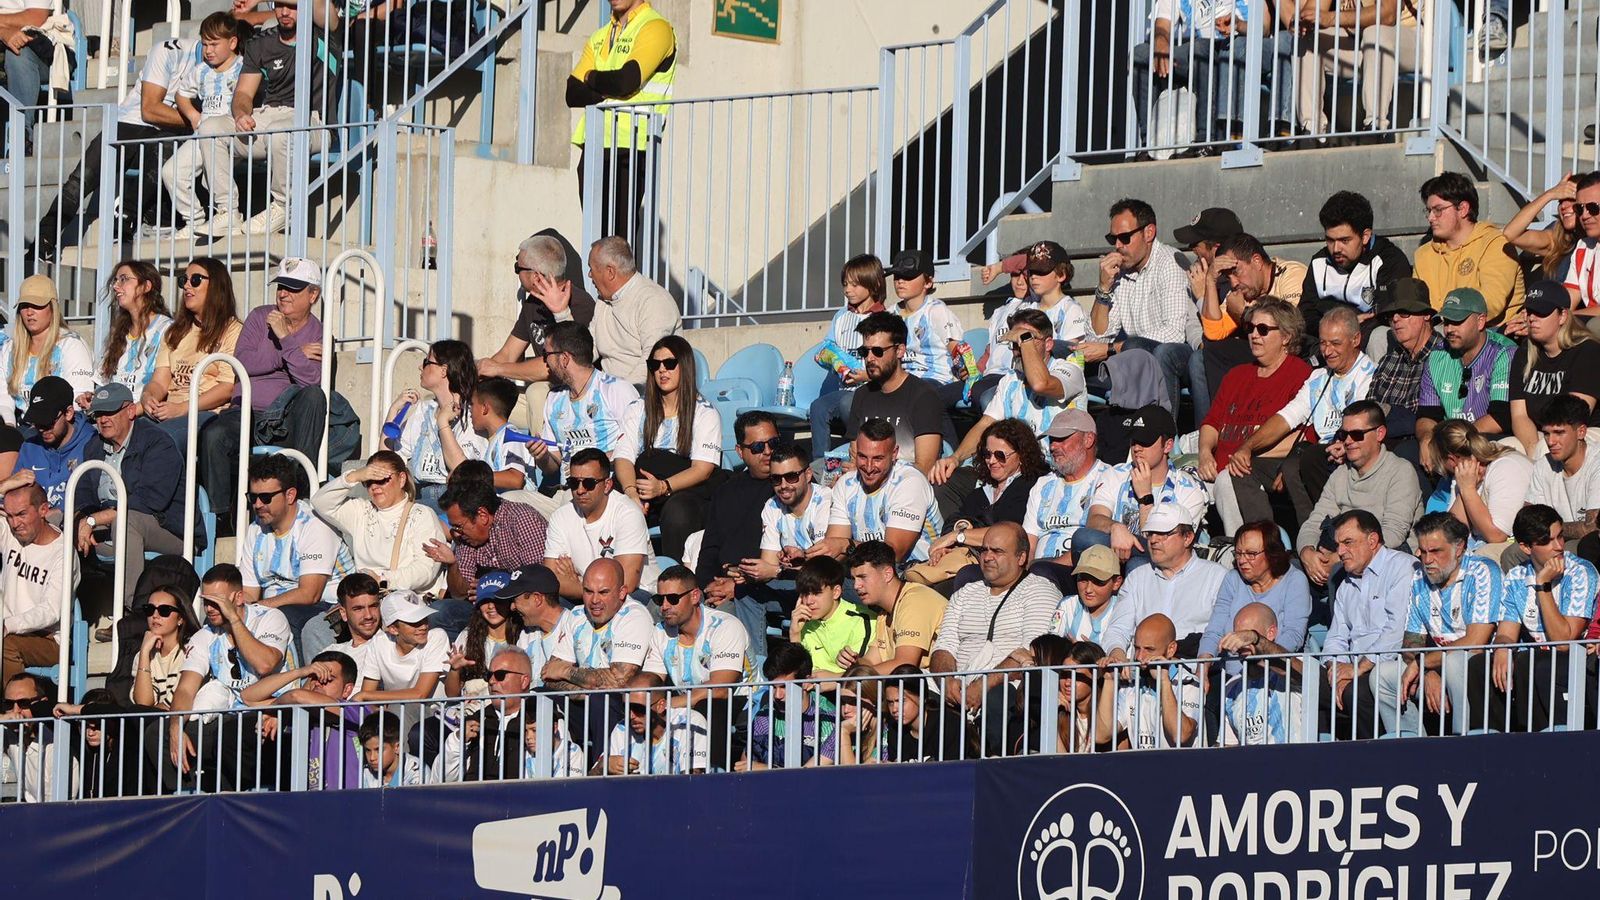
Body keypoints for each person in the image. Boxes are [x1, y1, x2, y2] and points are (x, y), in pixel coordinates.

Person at [202, 257, 352, 524]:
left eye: (293, 288)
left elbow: (311, 382)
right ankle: (223, 518)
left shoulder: (319, 333)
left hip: (284, 419)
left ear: (313, 295)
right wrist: (289, 355)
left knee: (315, 398)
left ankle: (302, 494)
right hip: (246, 411)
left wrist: (286, 339)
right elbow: (242, 363)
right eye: (281, 285)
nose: (283, 293)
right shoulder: (260, 316)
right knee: (214, 434)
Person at [31, 36, 201, 261]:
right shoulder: (171, 49)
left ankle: (124, 225)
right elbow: (149, 110)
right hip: (128, 123)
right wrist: (197, 119)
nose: (210, 51)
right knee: (80, 181)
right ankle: (42, 242)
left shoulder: (231, 67)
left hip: (169, 136)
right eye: (208, 43)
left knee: (166, 149)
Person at [1223, 306, 1377, 528]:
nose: (1328, 351)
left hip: (1345, 457)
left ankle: (1311, 538)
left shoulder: (1369, 375)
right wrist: (1248, 446)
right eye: (1323, 343)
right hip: (1315, 455)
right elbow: (1287, 417)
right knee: (1242, 470)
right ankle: (1265, 541)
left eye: (1335, 343)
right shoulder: (1318, 376)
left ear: (1355, 339)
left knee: (1296, 464)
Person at [200, 0, 342, 236]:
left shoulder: (325, 37)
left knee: (280, 131)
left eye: (293, 5)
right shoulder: (261, 43)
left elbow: (325, 13)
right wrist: (241, 113)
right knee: (210, 129)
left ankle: (283, 207)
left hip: (315, 121)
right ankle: (227, 212)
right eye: (279, 5)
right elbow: (244, 92)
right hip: (270, 115)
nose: (284, 12)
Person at [157, 563, 291, 793]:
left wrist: (234, 621)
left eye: (216, 601)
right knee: (157, 732)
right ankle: (187, 801)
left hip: (273, 709)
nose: (209, 609)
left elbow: (265, 664)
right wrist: (176, 726)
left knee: (230, 734)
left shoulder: (270, 618)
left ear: (238, 597)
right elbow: (186, 689)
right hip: (231, 713)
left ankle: (240, 803)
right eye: (205, 602)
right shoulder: (204, 636)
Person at [1469, 505, 1597, 732]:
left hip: (1576, 660)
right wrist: (1501, 649)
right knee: (1481, 664)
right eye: (1547, 541)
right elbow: (1507, 633)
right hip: (1537, 660)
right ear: (1526, 547)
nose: (1558, 546)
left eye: (1560, 537)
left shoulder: (1581, 572)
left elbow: (1564, 640)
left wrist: (1543, 586)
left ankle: (1539, 738)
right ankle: (1489, 740)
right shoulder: (1517, 576)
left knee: (1529, 661)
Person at [1373, 513, 1500, 738]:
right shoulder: (1419, 578)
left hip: (1481, 665)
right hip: (1436, 664)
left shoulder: (1483, 571)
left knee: (1454, 661)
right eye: (1423, 551)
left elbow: (1476, 641)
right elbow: (1411, 644)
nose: (1427, 559)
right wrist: (1428, 671)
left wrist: (1424, 663)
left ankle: (1465, 742)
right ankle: (1409, 744)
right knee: (1381, 674)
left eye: (1436, 551)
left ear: (1459, 548)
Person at [929, 522, 1059, 737]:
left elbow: (1032, 652)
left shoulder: (1040, 590)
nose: (987, 557)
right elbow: (944, 646)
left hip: (1006, 689)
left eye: (997, 551)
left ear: (1021, 558)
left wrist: (982, 686)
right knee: (908, 684)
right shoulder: (965, 592)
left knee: (999, 696)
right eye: (984, 550)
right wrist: (948, 681)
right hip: (957, 685)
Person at [931, 309, 1085, 490]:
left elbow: (1040, 384)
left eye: (1026, 339)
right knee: (945, 483)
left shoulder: (1069, 371)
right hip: (1010, 470)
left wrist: (1024, 339)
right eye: (1015, 343)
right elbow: (985, 424)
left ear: (1048, 344)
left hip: (1052, 471)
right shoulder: (1010, 380)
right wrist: (956, 458)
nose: (1019, 349)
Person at [567, 0, 678, 244]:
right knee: (596, 240)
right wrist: (606, 86)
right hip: (595, 144)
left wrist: (590, 77)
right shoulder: (600, 35)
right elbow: (572, 93)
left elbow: (626, 81)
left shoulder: (656, 27)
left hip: (631, 146)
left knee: (618, 242)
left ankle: (623, 284)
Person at [74, 383, 190, 614]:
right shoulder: (94, 446)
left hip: (167, 527)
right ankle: (62, 616)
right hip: (109, 528)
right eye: (98, 414)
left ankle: (133, 611)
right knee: (59, 526)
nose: (103, 420)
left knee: (126, 523)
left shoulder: (158, 442)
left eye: (110, 412)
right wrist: (80, 521)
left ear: (130, 411)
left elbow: (149, 501)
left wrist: (93, 521)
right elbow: (82, 493)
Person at [1200, 299, 1313, 533]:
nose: (1254, 335)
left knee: (1228, 480)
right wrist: (1204, 454)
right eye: (1250, 328)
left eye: (1263, 329)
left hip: (1252, 471)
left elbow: (1306, 434)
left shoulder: (1299, 373)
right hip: (1217, 468)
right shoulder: (1237, 374)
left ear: (1286, 337)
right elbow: (1212, 422)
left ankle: (1241, 548)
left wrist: (1252, 453)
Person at [614, 335, 723, 560]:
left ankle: (676, 582)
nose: (662, 370)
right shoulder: (637, 409)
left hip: (685, 490)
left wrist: (662, 487)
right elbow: (623, 458)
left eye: (670, 364)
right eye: (656, 365)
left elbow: (702, 470)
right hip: (642, 489)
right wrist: (631, 493)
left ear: (685, 366)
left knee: (677, 510)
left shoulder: (704, 412)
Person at [239, 451, 354, 664]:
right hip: (277, 605)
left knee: (283, 618)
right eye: (252, 497)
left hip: (329, 606)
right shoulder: (256, 529)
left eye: (265, 497)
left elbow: (310, 593)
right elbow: (249, 591)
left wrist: (261, 608)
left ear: (290, 495)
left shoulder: (315, 525)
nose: (257, 504)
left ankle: (299, 684)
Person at [1084, 198, 1195, 414]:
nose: (1117, 246)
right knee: (1065, 355)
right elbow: (1097, 338)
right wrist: (1103, 288)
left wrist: (1113, 349)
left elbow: (1174, 333)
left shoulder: (1170, 263)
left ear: (1149, 232)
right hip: (1129, 355)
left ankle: (1161, 435)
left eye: (1125, 238)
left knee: (1135, 347)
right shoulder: (1120, 271)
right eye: (1113, 238)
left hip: (1173, 356)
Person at [1297, 401, 1425, 585]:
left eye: (1357, 434)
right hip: (1344, 552)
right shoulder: (1340, 474)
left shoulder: (1401, 471)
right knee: (1294, 571)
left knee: (1342, 575)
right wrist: (1307, 553)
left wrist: (1341, 557)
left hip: (1390, 558)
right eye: (1344, 434)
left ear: (1379, 433)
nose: (1348, 441)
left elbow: (1393, 534)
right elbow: (1314, 522)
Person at [1320, 510, 1421, 739]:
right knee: (1307, 684)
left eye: (1348, 543)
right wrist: (1336, 670)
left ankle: (1371, 760)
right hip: (1354, 669)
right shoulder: (1345, 584)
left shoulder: (1402, 568)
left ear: (1372, 540)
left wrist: (1358, 669)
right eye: (1338, 545)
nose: (1341, 552)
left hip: (1389, 666)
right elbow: (1336, 637)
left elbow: (1397, 631)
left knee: (1357, 693)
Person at [696, 412, 785, 656]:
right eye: (757, 446)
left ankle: (751, 688)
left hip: (766, 586)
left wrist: (736, 586)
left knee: (726, 618)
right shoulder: (725, 492)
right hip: (725, 586)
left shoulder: (789, 487)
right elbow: (709, 550)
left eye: (773, 443)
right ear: (740, 451)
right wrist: (709, 586)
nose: (767, 451)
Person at [648, 565, 753, 770]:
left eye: (673, 598)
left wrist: (666, 703)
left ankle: (713, 774)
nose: (665, 606)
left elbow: (720, 689)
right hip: (688, 703)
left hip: (743, 702)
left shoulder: (725, 626)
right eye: (660, 600)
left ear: (695, 596)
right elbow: (651, 680)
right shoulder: (660, 631)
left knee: (709, 704)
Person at [1080, 404, 1208, 567]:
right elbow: (1094, 519)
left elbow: (1167, 549)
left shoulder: (1188, 490)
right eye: (1134, 440)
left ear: (1168, 445)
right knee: (1083, 538)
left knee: (1138, 563)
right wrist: (1116, 528)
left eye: (1145, 441)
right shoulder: (1115, 474)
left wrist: (1145, 499)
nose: (1137, 448)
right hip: (1109, 560)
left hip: (1159, 568)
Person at [140, 257, 244, 451]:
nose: (187, 286)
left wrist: (182, 408)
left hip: (206, 413)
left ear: (216, 286)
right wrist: (148, 396)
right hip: (168, 411)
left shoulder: (232, 330)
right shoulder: (174, 332)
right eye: (183, 280)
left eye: (195, 280)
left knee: (161, 441)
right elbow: (159, 382)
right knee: (127, 435)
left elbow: (226, 388)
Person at [312, 450, 447, 597]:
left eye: (382, 479)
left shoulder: (422, 514)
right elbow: (320, 502)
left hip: (407, 599)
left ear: (401, 479)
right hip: (367, 599)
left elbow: (425, 570)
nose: (374, 486)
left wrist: (382, 580)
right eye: (369, 481)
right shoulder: (361, 510)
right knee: (314, 621)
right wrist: (355, 476)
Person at [926, 418, 1049, 577]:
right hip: (967, 562)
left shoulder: (1029, 487)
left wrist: (958, 536)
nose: (992, 461)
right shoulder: (984, 490)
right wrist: (958, 530)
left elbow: (1007, 533)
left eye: (1000, 455)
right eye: (987, 454)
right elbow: (953, 521)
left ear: (1021, 455)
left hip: (1001, 571)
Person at [1102, 503, 1227, 658]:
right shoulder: (1136, 578)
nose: (1153, 540)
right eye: (1150, 533)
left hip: (1193, 673)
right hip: (1142, 673)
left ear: (1187, 537)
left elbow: (1222, 632)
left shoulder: (1216, 576)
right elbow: (1118, 630)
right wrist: (1117, 655)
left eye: (1163, 533)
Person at [534, 321, 644, 492]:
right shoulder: (554, 399)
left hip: (607, 492)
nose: (544, 361)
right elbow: (552, 466)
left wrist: (590, 465)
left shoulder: (616, 390)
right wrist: (541, 456)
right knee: (512, 499)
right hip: (566, 494)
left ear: (564, 359)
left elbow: (639, 447)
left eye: (546, 354)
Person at [814, 419, 942, 565]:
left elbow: (893, 555)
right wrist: (805, 558)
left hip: (919, 573)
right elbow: (834, 550)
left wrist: (846, 545)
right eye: (862, 457)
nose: (869, 467)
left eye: (877, 458)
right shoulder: (846, 484)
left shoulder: (910, 482)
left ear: (894, 453)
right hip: (868, 576)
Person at [164, 13, 245, 240]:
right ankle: (194, 221)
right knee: (171, 172)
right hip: (202, 134)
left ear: (232, 42)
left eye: (214, 44)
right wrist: (192, 115)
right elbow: (182, 95)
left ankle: (230, 214)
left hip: (230, 134)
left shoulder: (243, 67)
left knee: (212, 177)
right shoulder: (200, 70)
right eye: (205, 44)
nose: (208, 50)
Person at [480, 231, 598, 383]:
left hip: (574, 389)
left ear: (535, 276)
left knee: (535, 392)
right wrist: (476, 379)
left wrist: (498, 369)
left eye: (518, 268)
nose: (517, 273)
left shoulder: (581, 305)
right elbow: (508, 353)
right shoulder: (533, 302)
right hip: (545, 386)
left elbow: (553, 366)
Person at [429, 463, 549, 612]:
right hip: (486, 608)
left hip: (526, 605)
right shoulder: (466, 536)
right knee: (441, 611)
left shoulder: (522, 519)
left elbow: (537, 579)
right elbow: (458, 593)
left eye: (459, 526)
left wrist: (495, 586)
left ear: (483, 516)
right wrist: (453, 564)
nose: (457, 533)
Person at [1415, 287, 1517, 462]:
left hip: (1486, 438)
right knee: (1409, 451)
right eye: (1446, 322)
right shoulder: (1436, 356)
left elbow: (1501, 418)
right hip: (1449, 441)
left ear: (1480, 321)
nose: (1448, 329)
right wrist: (1427, 439)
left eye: (1457, 321)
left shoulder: (1503, 352)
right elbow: (1427, 414)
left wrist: (1457, 441)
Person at [542, 449, 658, 600]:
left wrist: (577, 584)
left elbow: (626, 584)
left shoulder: (628, 513)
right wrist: (589, 592)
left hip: (636, 596)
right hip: (586, 599)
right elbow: (552, 580)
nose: (580, 490)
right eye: (574, 483)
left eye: (589, 483)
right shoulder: (560, 516)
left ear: (608, 484)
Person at [1414, 172, 1526, 329]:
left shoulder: (1495, 244)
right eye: (1429, 211)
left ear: (1463, 209)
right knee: (1381, 336)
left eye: (1438, 210)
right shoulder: (1423, 254)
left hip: (1491, 333)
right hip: (1438, 331)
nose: (1431, 217)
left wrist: (1449, 322)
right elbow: (1416, 304)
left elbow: (1492, 303)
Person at [240, 649, 364, 790]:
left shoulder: (356, 710)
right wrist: (300, 672)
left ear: (347, 690)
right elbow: (248, 697)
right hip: (310, 803)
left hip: (348, 801)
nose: (318, 683)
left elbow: (296, 696)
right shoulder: (301, 710)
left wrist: (275, 709)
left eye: (328, 679)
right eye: (314, 677)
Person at [1296, 1, 1423, 137]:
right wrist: (1303, 21)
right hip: (1363, 42)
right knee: (1307, 39)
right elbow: (1314, 10)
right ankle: (1311, 130)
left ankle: (1375, 127)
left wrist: (1331, 18)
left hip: (1411, 38)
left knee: (1375, 33)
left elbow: (1388, 14)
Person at [843, 311, 947, 474]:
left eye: (877, 351)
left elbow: (924, 468)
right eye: (865, 352)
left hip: (907, 490)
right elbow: (856, 458)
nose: (869, 358)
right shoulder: (862, 395)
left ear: (899, 350)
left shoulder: (923, 396)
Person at [386, 339, 482, 510]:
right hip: (419, 496)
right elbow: (386, 462)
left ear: (444, 370)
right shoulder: (424, 410)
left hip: (454, 498)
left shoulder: (471, 413)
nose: (420, 368)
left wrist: (443, 422)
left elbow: (462, 471)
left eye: (426, 362)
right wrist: (393, 412)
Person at [1199, 520, 1311, 665]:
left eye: (1251, 554)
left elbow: (1293, 635)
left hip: (1281, 672)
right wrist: (1203, 668)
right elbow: (1214, 631)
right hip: (1234, 678)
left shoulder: (1294, 580)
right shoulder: (1232, 579)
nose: (1242, 560)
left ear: (1272, 553)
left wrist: (1264, 666)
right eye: (1238, 553)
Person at [810, 255, 891, 452]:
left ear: (873, 284)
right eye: (845, 284)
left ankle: (858, 452)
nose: (848, 290)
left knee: (849, 404)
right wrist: (832, 360)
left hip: (874, 390)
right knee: (818, 407)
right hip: (844, 389)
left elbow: (891, 364)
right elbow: (827, 349)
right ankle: (820, 465)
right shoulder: (841, 316)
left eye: (855, 285)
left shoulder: (885, 319)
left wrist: (866, 375)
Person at [0, 473, 75, 683]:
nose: (15, 523)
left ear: (43, 510)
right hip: (8, 629)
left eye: (22, 514)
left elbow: (50, 611)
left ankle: (14, 708)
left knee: (5, 646)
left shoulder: (63, 553)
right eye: (10, 516)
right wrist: (4, 486)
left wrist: (6, 625)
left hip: (48, 639)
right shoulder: (9, 532)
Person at [1510, 280, 1600, 453]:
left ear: (1563, 316)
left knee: (1546, 447)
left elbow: (1572, 417)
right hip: (1540, 436)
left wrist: (1539, 451)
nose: (1532, 318)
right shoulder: (1524, 353)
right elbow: (1519, 416)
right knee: (1499, 451)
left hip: (1583, 433)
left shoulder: (1587, 351)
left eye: (1541, 312)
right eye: (1529, 311)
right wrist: (1532, 449)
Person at [1022, 411, 1110, 585]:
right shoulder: (1043, 484)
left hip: (1081, 573)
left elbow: (1098, 543)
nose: (1053, 446)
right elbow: (1029, 543)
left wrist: (1038, 569)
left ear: (1088, 440)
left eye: (1062, 439)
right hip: (1035, 571)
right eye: (1051, 439)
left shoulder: (1109, 479)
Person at [1300, 190, 1414, 325]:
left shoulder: (1389, 262)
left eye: (1344, 240)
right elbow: (1304, 315)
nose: (1336, 249)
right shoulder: (1319, 262)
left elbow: (1386, 317)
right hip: (1324, 338)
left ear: (1365, 236)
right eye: (1330, 240)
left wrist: (1325, 308)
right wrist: (1346, 322)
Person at [584, 237, 682, 386]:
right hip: (607, 392)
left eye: (591, 268)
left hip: (646, 395)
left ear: (610, 272)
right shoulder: (603, 301)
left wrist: (618, 393)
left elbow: (652, 361)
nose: (589, 275)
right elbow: (587, 349)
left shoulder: (653, 301)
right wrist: (562, 313)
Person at [1096, 613, 1202, 749]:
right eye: (1137, 648)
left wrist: (1164, 681)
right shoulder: (1133, 683)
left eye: (1149, 649)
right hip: (1143, 768)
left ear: (1171, 649)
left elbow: (1180, 735)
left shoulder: (1189, 682)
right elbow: (1101, 735)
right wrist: (1109, 681)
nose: (1140, 657)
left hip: (1181, 768)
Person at [1366, 277, 1445, 457]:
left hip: (1419, 446)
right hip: (1379, 444)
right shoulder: (1389, 359)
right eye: (1391, 314)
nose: (1395, 319)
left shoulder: (1444, 357)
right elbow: (1369, 409)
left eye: (1404, 313)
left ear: (1426, 315)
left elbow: (1433, 417)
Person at [1, 276, 94, 425]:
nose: (29, 312)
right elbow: (3, 398)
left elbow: (78, 401)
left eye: (37, 305)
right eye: (24, 305)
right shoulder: (10, 347)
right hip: (22, 426)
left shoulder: (72, 345)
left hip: (60, 427)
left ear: (53, 308)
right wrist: (9, 429)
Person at [1431, 419, 1533, 553]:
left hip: (1517, 546)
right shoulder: (1463, 471)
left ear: (1451, 459)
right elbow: (1452, 532)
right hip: (1483, 545)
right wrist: (1465, 488)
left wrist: (1468, 490)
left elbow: (1497, 536)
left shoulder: (1506, 467)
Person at [846, 540, 947, 673]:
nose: (856, 586)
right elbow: (870, 661)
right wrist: (854, 662)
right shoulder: (884, 614)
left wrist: (846, 679)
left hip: (940, 686)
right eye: (854, 579)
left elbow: (905, 664)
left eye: (862, 577)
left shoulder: (914, 601)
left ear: (887, 574)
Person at [1215, 603, 1304, 747]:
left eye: (1245, 635)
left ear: (1271, 633)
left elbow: (1300, 671)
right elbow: (1227, 746)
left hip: (1291, 762)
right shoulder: (1232, 686)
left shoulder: (1294, 666)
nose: (1240, 643)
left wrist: (1255, 639)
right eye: (1237, 635)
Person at [1527, 395, 1600, 561]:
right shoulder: (1543, 465)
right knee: (1514, 553)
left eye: (1559, 433)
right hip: (1552, 542)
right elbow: (1529, 522)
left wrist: (1547, 530)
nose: (1551, 441)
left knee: (1577, 548)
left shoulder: (1597, 463)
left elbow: (1592, 528)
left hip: (1589, 546)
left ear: (1581, 431)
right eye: (1546, 433)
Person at [748, 443, 831, 582]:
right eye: (776, 479)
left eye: (791, 477)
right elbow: (769, 561)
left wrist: (777, 571)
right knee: (744, 592)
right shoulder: (772, 506)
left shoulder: (825, 500)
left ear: (808, 474)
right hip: (792, 580)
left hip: (824, 581)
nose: (783, 485)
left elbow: (823, 566)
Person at [354, 591, 450, 709]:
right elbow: (367, 700)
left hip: (434, 717)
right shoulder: (379, 642)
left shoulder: (437, 636)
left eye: (424, 619)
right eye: (414, 622)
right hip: (396, 714)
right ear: (393, 629)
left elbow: (420, 694)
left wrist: (365, 695)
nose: (424, 626)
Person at [94, 261, 174, 402]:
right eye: (115, 280)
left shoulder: (166, 328)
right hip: (113, 412)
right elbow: (103, 382)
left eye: (124, 279)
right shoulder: (119, 332)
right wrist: (93, 398)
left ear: (146, 286)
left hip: (143, 413)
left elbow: (162, 385)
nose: (116, 286)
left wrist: (132, 412)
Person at [883, 248, 962, 389]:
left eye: (908, 276)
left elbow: (957, 349)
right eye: (896, 276)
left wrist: (966, 372)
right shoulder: (889, 314)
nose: (900, 281)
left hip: (936, 380)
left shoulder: (936, 311)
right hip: (900, 381)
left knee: (910, 391)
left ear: (928, 282)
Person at [14, 377, 95, 509]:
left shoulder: (91, 443)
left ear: (68, 413)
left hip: (73, 523)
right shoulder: (29, 447)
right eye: (37, 422)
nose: (41, 428)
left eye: (47, 422)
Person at [790, 557, 874, 678]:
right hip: (812, 692)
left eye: (816, 593)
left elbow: (858, 673)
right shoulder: (802, 624)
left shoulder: (863, 619)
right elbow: (798, 675)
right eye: (804, 593)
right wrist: (794, 634)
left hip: (848, 691)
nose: (808, 601)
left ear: (836, 592)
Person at [444, 576, 524, 698]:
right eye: (485, 601)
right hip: (472, 709)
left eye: (497, 600)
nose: (491, 606)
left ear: (510, 603)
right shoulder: (467, 635)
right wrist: (455, 670)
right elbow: (451, 694)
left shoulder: (524, 634)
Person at [123, 587, 201, 710]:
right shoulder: (144, 654)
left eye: (164, 610)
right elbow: (143, 704)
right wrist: (144, 653)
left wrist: (157, 709)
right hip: (153, 724)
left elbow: (174, 705)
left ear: (180, 618)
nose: (155, 615)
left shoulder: (192, 650)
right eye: (149, 609)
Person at [1502, 175, 1583, 294]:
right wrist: (1550, 195)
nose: (1563, 206)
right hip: (1552, 308)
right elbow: (1511, 233)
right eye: (1560, 201)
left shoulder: (1594, 243)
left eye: (1571, 199)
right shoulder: (1558, 237)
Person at [1045, 544, 1135, 647]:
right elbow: (1051, 647)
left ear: (1116, 583)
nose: (1088, 589)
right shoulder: (1066, 605)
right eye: (1083, 579)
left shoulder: (1124, 609)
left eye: (1098, 581)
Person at [882, 663, 974, 762]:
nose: (894, 709)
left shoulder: (948, 723)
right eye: (890, 702)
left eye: (901, 701)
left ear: (922, 697)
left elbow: (951, 771)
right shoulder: (894, 729)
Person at [467, 376, 537, 492]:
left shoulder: (511, 437)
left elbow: (515, 480)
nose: (469, 410)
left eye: (472, 404)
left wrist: (469, 477)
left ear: (484, 408)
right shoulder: (494, 439)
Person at [326, 572, 385, 684]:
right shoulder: (333, 651)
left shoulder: (391, 645)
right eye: (358, 609)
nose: (368, 615)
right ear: (343, 613)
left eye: (373, 606)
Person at [1561, 171, 1600, 315]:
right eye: (1579, 208)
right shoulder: (1583, 246)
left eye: (1593, 208)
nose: (1584, 215)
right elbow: (1568, 300)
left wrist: (1563, 318)